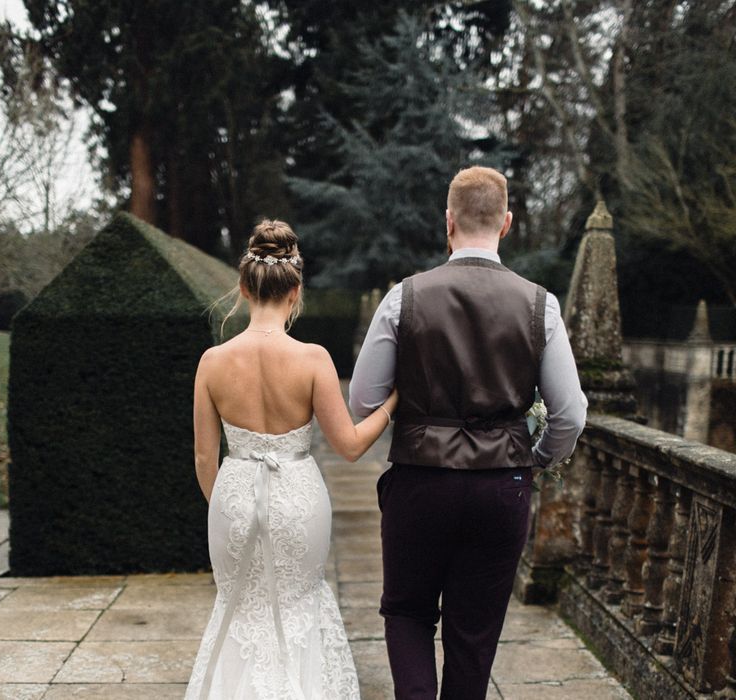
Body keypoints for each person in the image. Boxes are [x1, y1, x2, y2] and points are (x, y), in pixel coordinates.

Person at [350, 166, 588, 699]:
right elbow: (570, 414)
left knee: (408, 613)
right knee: (474, 635)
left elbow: (362, 401)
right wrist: (536, 457)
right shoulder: (539, 305)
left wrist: (408, 404)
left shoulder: (404, 298)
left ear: (448, 222)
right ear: (507, 223)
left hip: (419, 480)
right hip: (501, 485)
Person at [186, 220, 397, 700]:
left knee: (239, 609)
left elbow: (204, 457)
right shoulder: (313, 359)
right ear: (296, 290)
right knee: (300, 606)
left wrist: (225, 504)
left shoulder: (212, 362)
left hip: (233, 496)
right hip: (299, 499)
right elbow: (349, 445)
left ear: (243, 287)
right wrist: (391, 404)